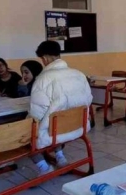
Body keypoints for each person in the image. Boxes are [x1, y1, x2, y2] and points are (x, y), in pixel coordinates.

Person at [29, 41, 93, 175]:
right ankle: (60, 156)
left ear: (45, 58)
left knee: (28, 134)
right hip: (78, 127)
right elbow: (88, 100)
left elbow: (37, 114)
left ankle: (44, 168)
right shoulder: (79, 74)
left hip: (53, 133)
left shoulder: (43, 79)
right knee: (55, 123)